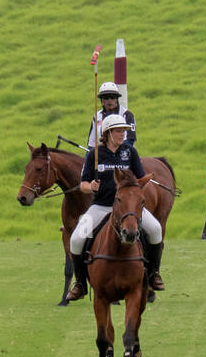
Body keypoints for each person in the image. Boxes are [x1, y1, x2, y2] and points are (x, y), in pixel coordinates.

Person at [68, 113, 164, 300]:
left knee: (155, 230)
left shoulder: (130, 152)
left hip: (128, 208)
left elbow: (140, 179)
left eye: (124, 131)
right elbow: (82, 185)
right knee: (76, 240)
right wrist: (91, 187)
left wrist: (140, 185)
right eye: (119, 131)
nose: (123, 134)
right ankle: (80, 283)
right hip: (102, 206)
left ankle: (153, 274)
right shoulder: (94, 155)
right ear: (108, 133)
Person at [86, 81, 136, 149]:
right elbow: (91, 143)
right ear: (102, 101)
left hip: (123, 154)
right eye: (106, 98)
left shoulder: (127, 115)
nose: (109, 100)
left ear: (116, 99)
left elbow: (129, 141)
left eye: (112, 97)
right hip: (102, 154)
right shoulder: (97, 116)